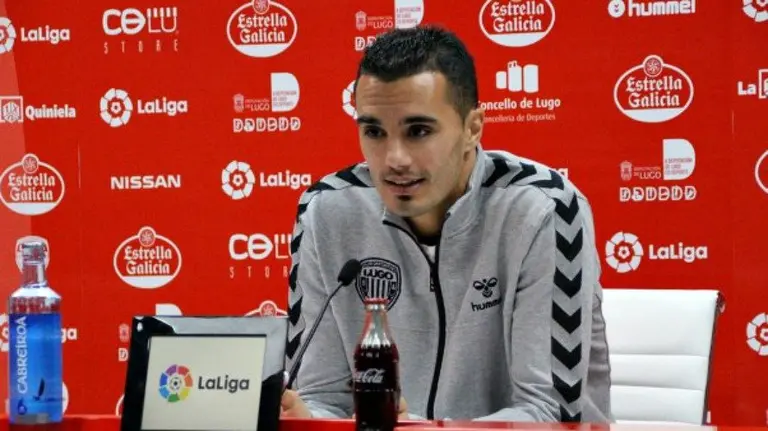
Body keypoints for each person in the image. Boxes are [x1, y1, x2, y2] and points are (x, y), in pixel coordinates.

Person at [281, 25, 612, 423]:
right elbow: (321, 398)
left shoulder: (543, 207)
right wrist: (307, 420)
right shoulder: (327, 210)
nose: (394, 159)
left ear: (472, 128)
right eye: (374, 132)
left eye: (418, 131)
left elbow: (551, 412)